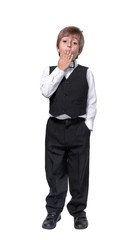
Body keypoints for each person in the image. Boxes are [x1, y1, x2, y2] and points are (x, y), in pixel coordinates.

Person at [40, 26, 97, 229]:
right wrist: (60, 68)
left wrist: (87, 126)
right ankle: (54, 211)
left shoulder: (86, 73)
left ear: (79, 50)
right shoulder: (49, 72)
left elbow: (92, 101)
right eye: (65, 41)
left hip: (78, 128)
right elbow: (46, 92)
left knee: (79, 171)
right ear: (57, 46)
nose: (69, 46)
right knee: (54, 170)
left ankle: (79, 211)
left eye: (74, 43)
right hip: (55, 128)